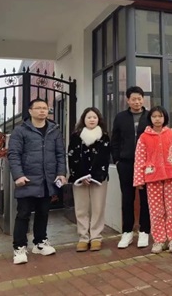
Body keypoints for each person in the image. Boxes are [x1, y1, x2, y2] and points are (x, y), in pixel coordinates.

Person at [8, 98, 67, 265]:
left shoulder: (54, 130)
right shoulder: (20, 130)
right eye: (38, 108)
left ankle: (40, 243)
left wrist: (61, 173)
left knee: (43, 212)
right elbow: (14, 154)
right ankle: (19, 247)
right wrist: (18, 175)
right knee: (23, 214)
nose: (42, 111)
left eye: (45, 108)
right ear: (30, 111)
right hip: (27, 179)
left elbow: (60, 154)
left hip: (48, 180)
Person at [133, 106, 172, 254]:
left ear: (164, 118)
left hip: (171, 176)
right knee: (156, 211)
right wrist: (139, 180)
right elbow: (139, 159)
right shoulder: (144, 137)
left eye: (160, 116)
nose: (157, 119)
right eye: (154, 116)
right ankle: (159, 240)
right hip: (152, 178)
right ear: (150, 118)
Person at [110, 86, 151, 249]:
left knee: (145, 199)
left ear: (143, 99)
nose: (137, 102)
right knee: (127, 198)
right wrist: (117, 160)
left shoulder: (150, 116)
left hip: (146, 164)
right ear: (128, 100)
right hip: (126, 163)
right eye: (133, 99)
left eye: (139, 98)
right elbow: (115, 140)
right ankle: (127, 231)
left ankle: (144, 230)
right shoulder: (120, 117)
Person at [67, 107, 111, 252]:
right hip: (79, 178)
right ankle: (83, 237)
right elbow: (72, 156)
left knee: (98, 207)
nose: (92, 120)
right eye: (89, 117)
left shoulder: (104, 136)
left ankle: (96, 236)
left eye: (94, 117)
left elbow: (104, 157)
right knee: (81, 208)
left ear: (99, 119)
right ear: (83, 120)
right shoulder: (76, 136)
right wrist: (82, 175)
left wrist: (95, 175)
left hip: (99, 178)